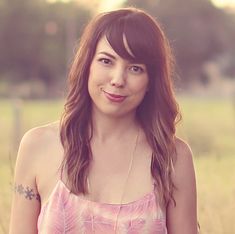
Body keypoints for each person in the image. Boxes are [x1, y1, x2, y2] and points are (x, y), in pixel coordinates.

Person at [9, 7, 198, 234]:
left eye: (135, 68)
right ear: (87, 63)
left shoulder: (173, 159)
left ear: (151, 81)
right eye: (106, 61)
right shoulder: (37, 146)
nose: (118, 79)